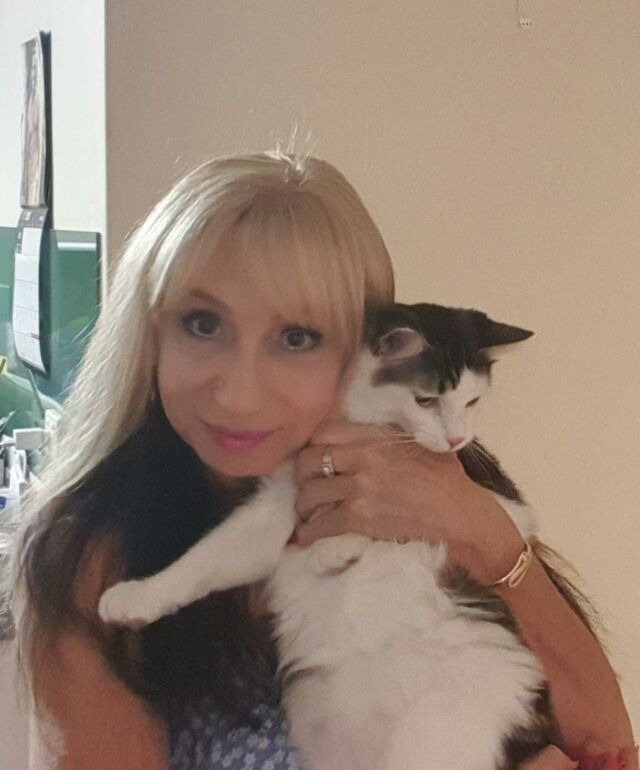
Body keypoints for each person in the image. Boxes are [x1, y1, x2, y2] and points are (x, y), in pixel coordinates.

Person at [4, 151, 637, 770]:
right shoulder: (89, 555)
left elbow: (604, 743)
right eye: (202, 325)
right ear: (150, 334)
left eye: (296, 338)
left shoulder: (438, 470)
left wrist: (483, 535)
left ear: (364, 350)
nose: (239, 393)